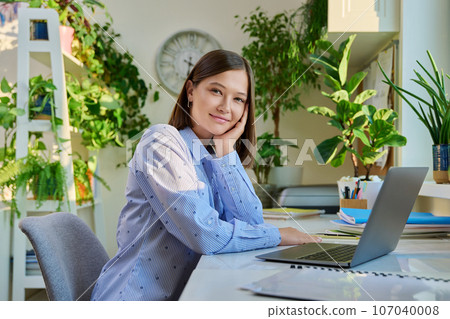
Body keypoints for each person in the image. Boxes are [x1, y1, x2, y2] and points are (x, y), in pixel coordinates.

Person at [91, 49, 321, 301]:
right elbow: (205, 235)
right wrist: (279, 235)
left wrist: (225, 152)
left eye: (238, 99)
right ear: (190, 91)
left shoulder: (215, 156)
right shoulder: (162, 142)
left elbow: (252, 222)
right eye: (216, 91)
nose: (225, 107)